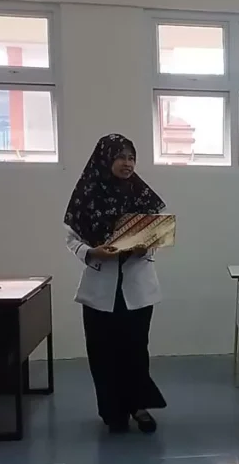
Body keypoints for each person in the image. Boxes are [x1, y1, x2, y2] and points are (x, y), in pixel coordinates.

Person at [64, 134, 167, 434]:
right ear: (105, 159)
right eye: (121, 157)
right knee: (103, 352)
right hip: (100, 287)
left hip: (137, 287)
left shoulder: (142, 195)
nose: (127, 163)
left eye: (131, 157)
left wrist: (145, 246)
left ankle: (139, 407)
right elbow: (71, 238)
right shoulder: (87, 196)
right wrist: (91, 252)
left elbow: (157, 233)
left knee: (135, 350)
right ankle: (113, 412)